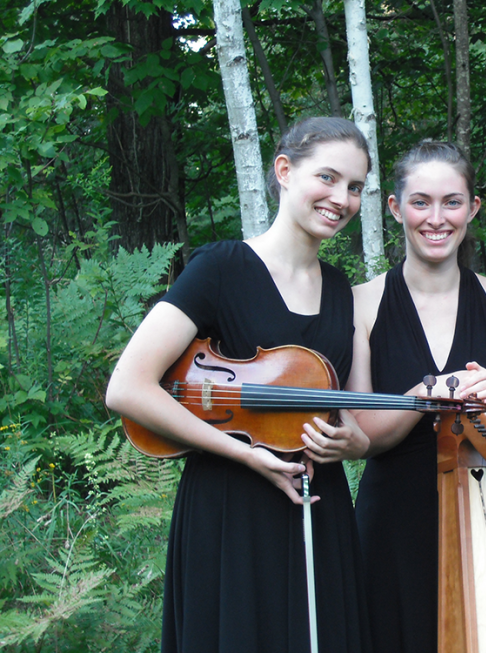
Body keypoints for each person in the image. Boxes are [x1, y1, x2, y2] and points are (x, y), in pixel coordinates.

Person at [105, 117, 374, 653]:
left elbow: (356, 419)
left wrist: (356, 443)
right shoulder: (220, 267)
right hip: (230, 509)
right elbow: (128, 387)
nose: (341, 198)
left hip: (317, 505)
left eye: (355, 187)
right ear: (283, 171)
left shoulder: (343, 290)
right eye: (328, 178)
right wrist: (245, 455)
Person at [346, 141, 486, 653]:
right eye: (421, 202)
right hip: (391, 524)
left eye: (452, 202)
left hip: (485, 514)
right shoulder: (361, 305)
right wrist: (423, 395)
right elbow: (363, 438)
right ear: (394, 208)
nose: (437, 218)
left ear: (472, 209)